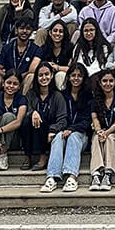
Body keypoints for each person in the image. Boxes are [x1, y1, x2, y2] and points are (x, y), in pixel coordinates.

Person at [40, 63, 93, 193]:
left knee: (74, 137)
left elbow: (87, 120)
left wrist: (72, 129)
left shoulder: (88, 96)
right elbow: (59, 117)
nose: (76, 78)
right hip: (64, 132)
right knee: (57, 137)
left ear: (84, 78)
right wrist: (62, 129)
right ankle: (52, 177)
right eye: (73, 75)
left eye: (79, 76)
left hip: (81, 135)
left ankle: (71, 177)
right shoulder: (62, 95)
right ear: (68, 77)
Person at [88, 68, 115, 191]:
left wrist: (106, 133)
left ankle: (108, 173)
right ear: (100, 83)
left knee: (109, 139)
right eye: (104, 81)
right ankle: (96, 174)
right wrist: (99, 131)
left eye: (111, 81)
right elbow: (95, 119)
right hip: (101, 131)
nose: (108, 84)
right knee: (96, 138)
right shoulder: (95, 100)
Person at [0, 13, 37, 96]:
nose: (24, 31)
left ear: (31, 32)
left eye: (28, 29)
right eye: (21, 28)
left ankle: (24, 105)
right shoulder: (7, 47)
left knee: (31, 77)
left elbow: (32, 70)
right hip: (7, 79)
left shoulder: (36, 49)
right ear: (16, 31)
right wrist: (8, 76)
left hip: (24, 79)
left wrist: (18, 77)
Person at [22, 63, 62, 170]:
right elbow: (25, 110)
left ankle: (43, 157)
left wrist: (53, 130)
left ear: (52, 75)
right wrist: (33, 113)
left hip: (49, 133)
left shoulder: (57, 96)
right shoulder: (31, 94)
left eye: (46, 74)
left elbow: (62, 119)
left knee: (42, 119)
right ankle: (27, 156)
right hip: (32, 131)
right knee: (26, 120)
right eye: (40, 75)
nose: (44, 78)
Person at [38, 19, 74, 90]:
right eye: (55, 31)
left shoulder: (70, 48)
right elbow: (36, 66)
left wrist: (57, 67)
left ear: (64, 34)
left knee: (60, 75)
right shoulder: (44, 48)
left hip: (63, 79)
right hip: (46, 76)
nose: (57, 33)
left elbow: (71, 69)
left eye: (61, 31)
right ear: (50, 33)